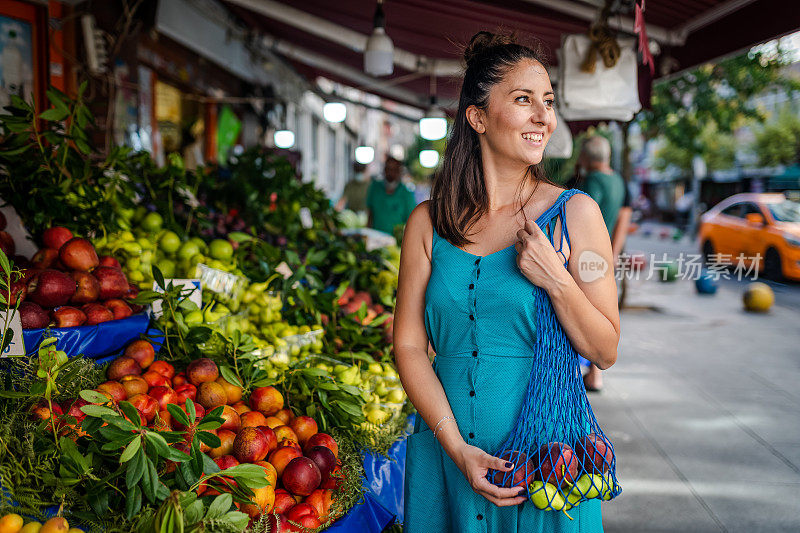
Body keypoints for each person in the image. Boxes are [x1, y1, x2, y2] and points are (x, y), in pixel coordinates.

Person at [396, 31, 620, 532]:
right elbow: (409, 346)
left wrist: (558, 280)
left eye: (548, 102)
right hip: (446, 458)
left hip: (545, 462)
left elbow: (605, 350)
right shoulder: (427, 224)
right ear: (477, 117)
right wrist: (457, 449)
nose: (544, 118)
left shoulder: (577, 215)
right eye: (524, 100)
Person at [575, 135, 627, 392]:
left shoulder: (592, 182)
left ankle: (578, 373)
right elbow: (624, 219)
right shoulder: (618, 180)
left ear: (586, 157)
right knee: (601, 314)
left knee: (577, 312)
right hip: (604, 255)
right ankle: (595, 376)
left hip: (584, 254)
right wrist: (613, 254)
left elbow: (580, 212)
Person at [366, 157, 416, 234]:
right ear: (384, 170)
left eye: (394, 170)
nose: (390, 173)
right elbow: (370, 213)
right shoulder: (375, 188)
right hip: (375, 237)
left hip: (396, 241)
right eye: (388, 169)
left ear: (399, 172)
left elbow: (411, 221)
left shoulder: (406, 194)